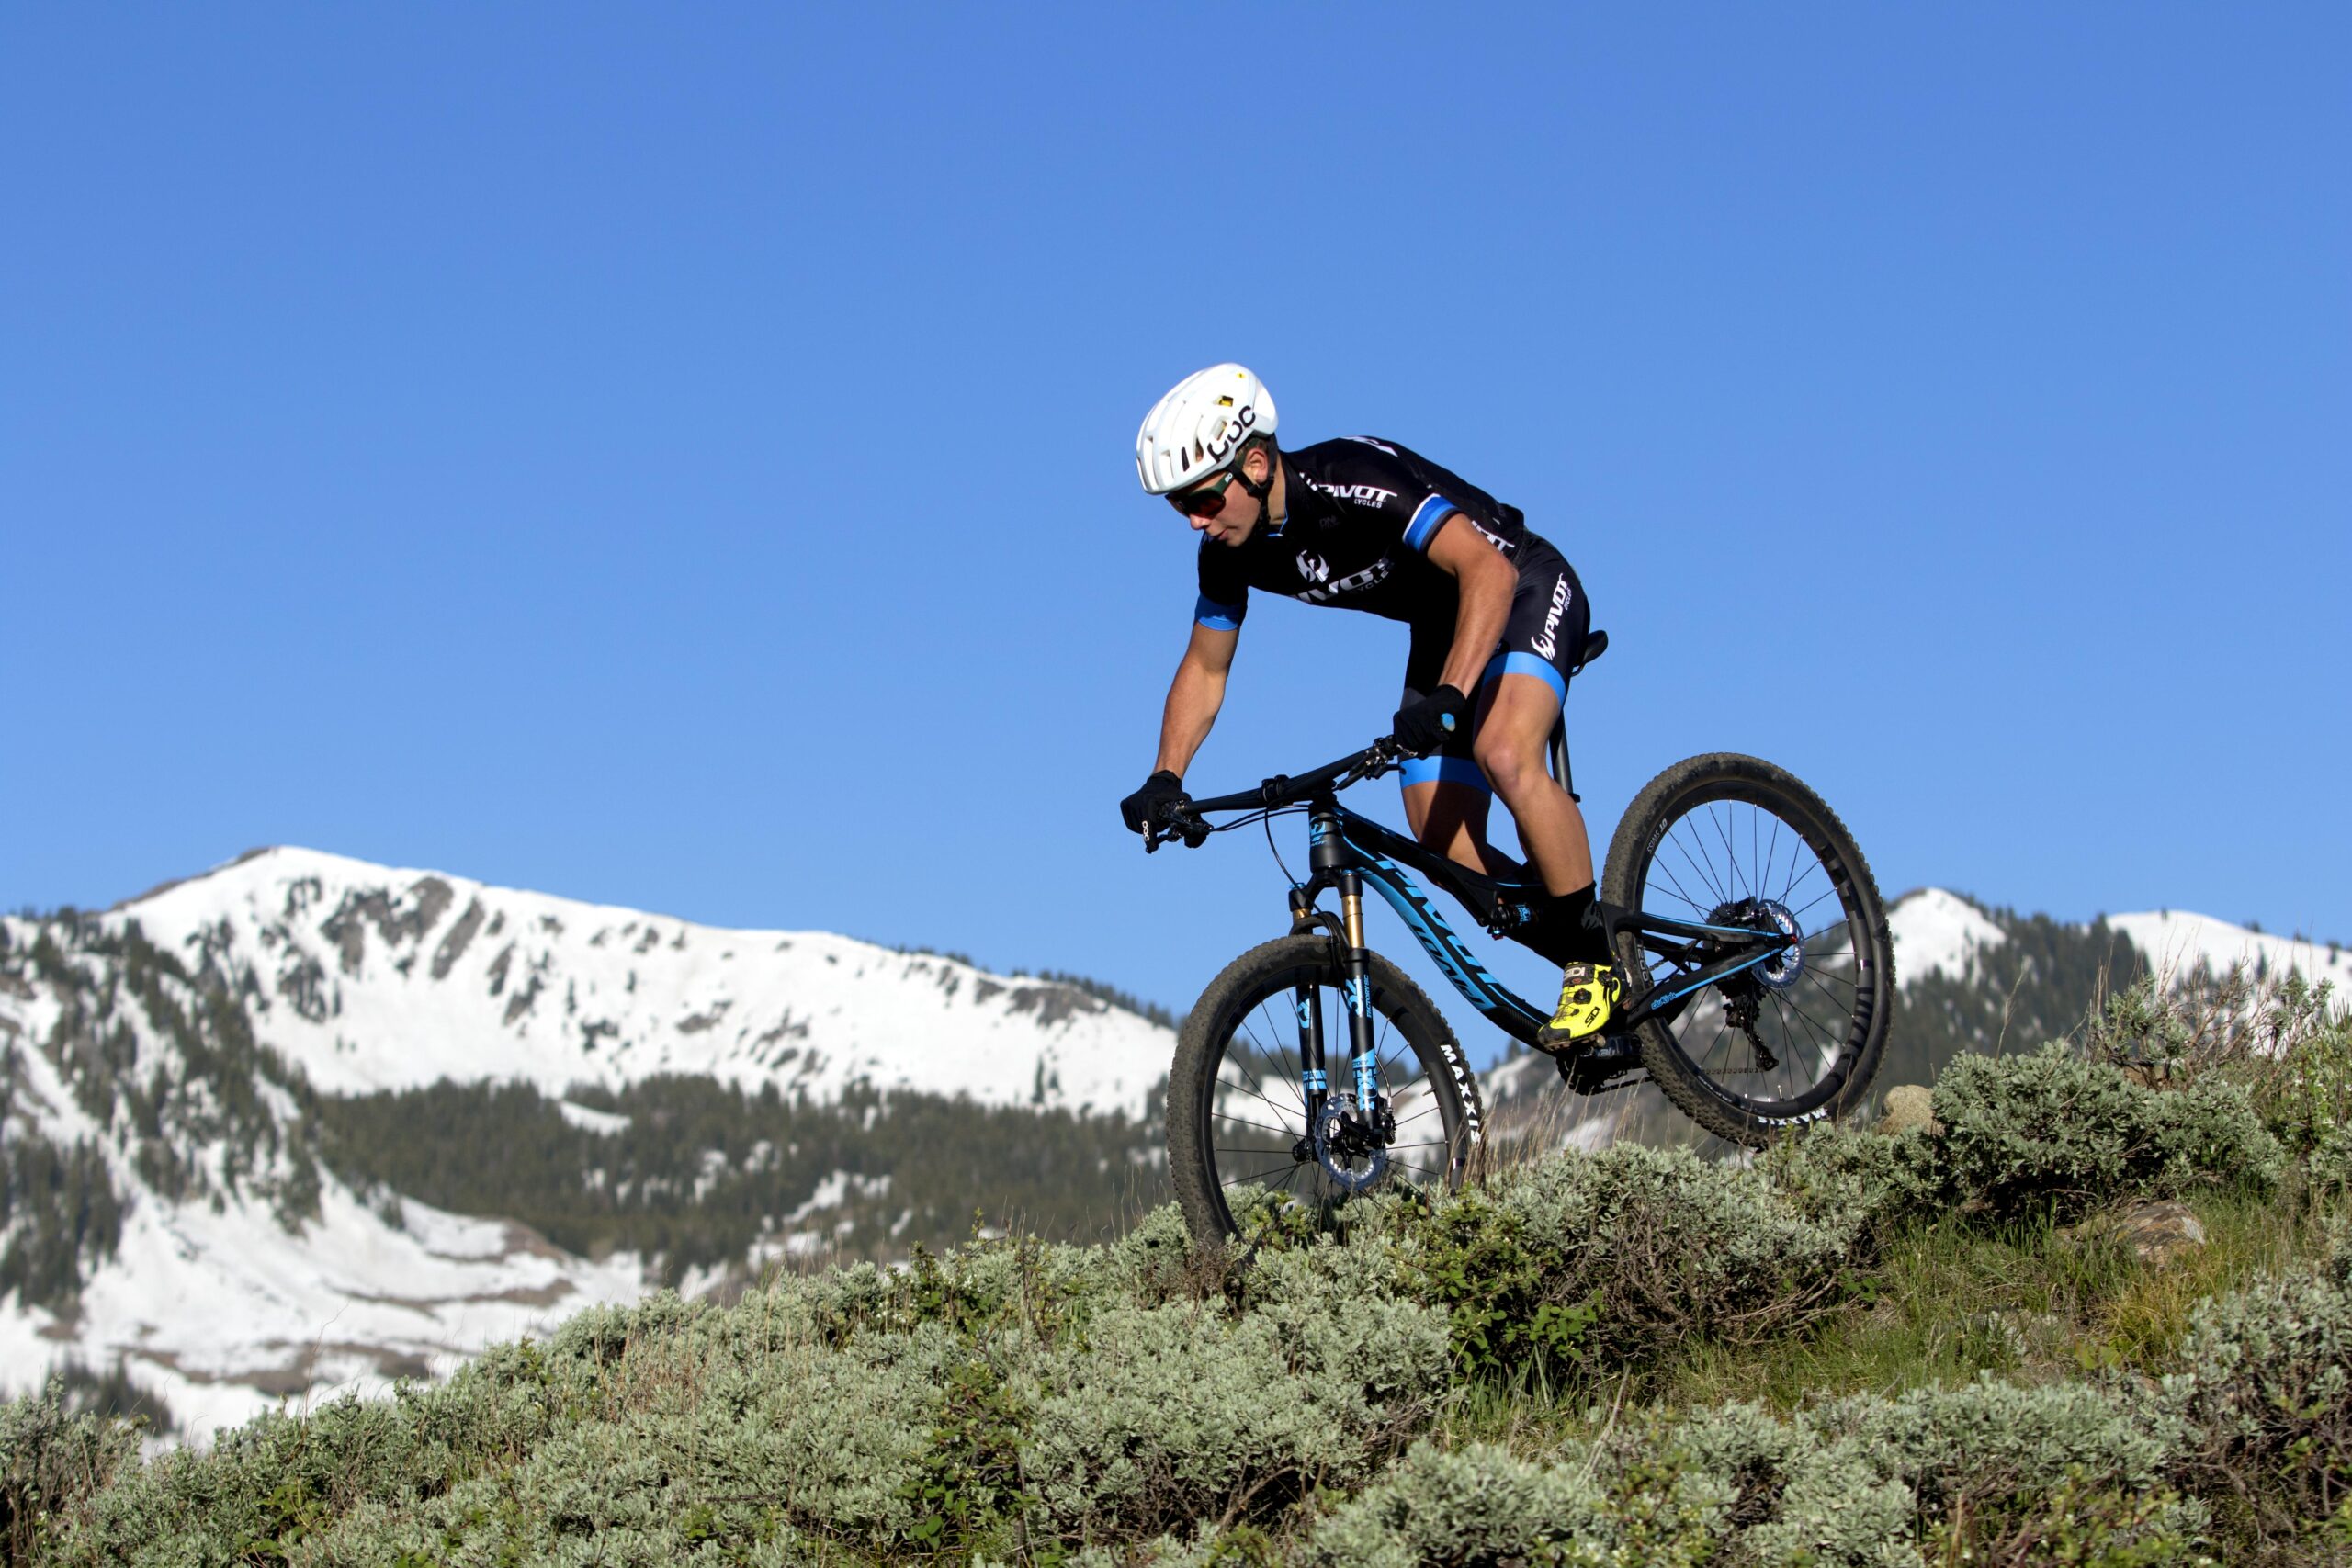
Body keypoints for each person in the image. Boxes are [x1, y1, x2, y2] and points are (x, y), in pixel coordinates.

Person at [1117, 364, 1620, 1051]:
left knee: (1503, 751)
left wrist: (1451, 694)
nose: (1195, 522)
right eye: (1180, 507)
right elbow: (1206, 667)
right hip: (1444, 623)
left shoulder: (1351, 478)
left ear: (1256, 464)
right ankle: (1580, 941)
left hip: (1520, 583)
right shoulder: (1227, 555)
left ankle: (1595, 964)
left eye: (1203, 498)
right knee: (1439, 836)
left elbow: (1488, 570)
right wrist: (1166, 774)